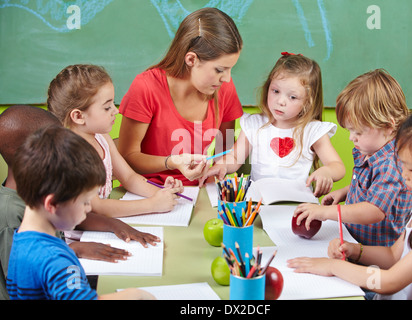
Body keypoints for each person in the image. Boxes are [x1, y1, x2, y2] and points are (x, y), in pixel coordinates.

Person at [288, 105, 412, 300]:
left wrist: (333, 266)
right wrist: (355, 250)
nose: (403, 175)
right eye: (402, 165)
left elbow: (389, 282)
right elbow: (393, 256)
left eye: (410, 169)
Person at [0, 105, 160, 300]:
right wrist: (134, 295)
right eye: (85, 202)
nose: (89, 208)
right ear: (52, 203)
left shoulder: (22, 240)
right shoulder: (55, 258)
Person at [118, 7, 244, 186]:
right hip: (149, 190)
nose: (227, 78)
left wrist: (216, 167)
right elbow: (127, 158)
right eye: (220, 70)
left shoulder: (224, 88)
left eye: (231, 69)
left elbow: (225, 149)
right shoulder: (146, 87)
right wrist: (172, 162)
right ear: (191, 60)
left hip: (201, 190)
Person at [293, 69, 412, 246]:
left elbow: (373, 210)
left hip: (377, 253)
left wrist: (326, 212)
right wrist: (344, 192)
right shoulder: (370, 150)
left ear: (388, 126)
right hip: (354, 240)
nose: (351, 138)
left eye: (357, 132)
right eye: (349, 130)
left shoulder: (391, 164)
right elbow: (370, 187)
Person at [199, 52, 345, 198]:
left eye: (292, 97)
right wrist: (222, 165)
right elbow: (235, 158)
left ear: (308, 102)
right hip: (258, 202)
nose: (280, 101)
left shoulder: (312, 130)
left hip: (297, 204)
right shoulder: (254, 124)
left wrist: (327, 171)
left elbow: (338, 167)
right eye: (275, 91)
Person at [47, 64, 183, 218]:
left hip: (103, 224)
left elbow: (129, 178)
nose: (116, 111)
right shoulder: (70, 154)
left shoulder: (101, 137)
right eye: (107, 107)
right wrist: (152, 205)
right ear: (78, 116)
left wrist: (162, 192)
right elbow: (96, 206)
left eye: (113, 104)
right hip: (78, 233)